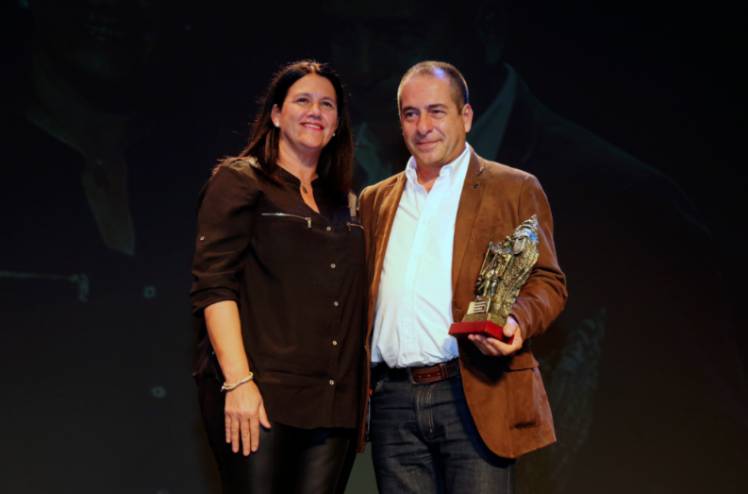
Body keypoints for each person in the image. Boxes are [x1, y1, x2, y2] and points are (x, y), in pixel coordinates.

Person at [358, 61, 567, 493]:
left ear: (466, 117)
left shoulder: (513, 188)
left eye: (436, 111)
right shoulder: (375, 200)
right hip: (393, 400)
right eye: (411, 114)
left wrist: (516, 321)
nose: (423, 126)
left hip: (472, 391)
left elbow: (548, 281)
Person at [190, 60, 366, 493]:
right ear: (275, 114)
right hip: (261, 396)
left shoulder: (348, 204)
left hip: (334, 402)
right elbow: (214, 286)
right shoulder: (241, 181)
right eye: (302, 100)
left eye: (327, 104)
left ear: (337, 124)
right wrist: (239, 383)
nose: (315, 111)